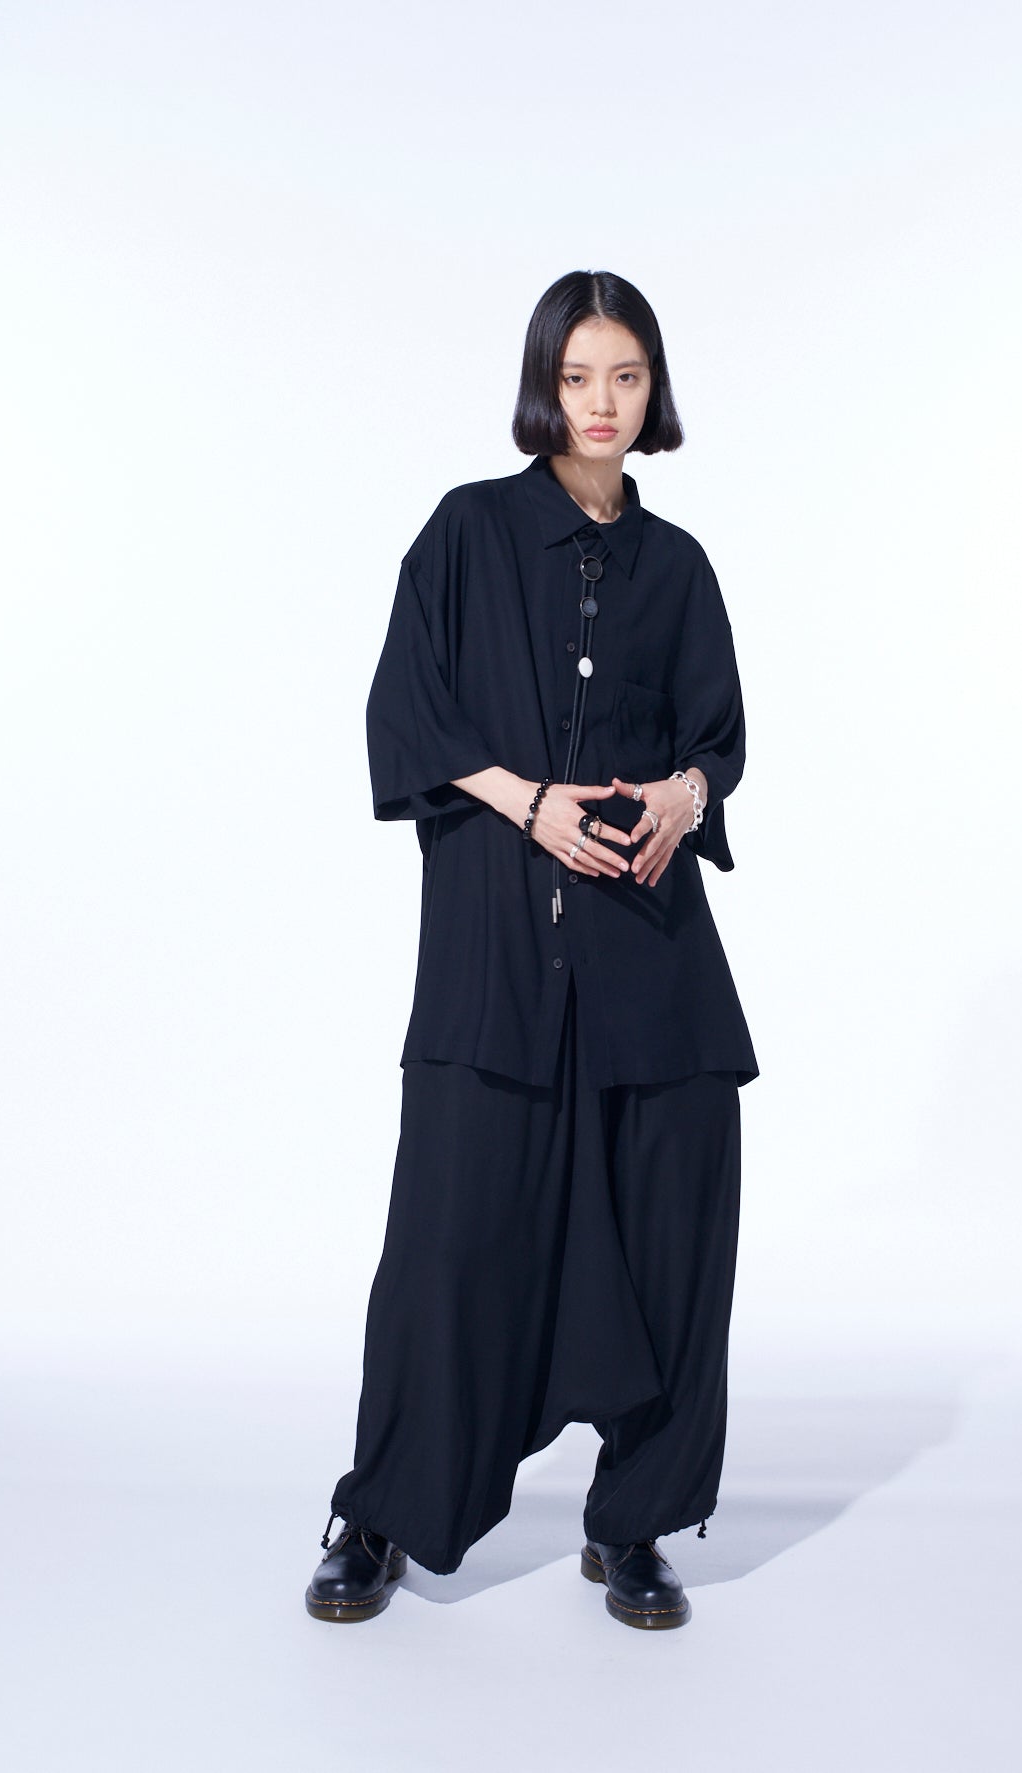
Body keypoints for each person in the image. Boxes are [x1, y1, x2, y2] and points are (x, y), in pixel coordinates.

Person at [304, 269, 759, 1632]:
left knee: (675, 1228)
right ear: (542, 387)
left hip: (652, 959)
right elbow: (406, 712)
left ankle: (635, 1522)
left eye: (626, 376)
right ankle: (382, 1511)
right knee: (450, 1241)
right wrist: (529, 802)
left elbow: (719, 739)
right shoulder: (467, 534)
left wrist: (686, 794)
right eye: (578, 377)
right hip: (496, 955)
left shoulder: (681, 568)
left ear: (653, 388)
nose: (602, 402)